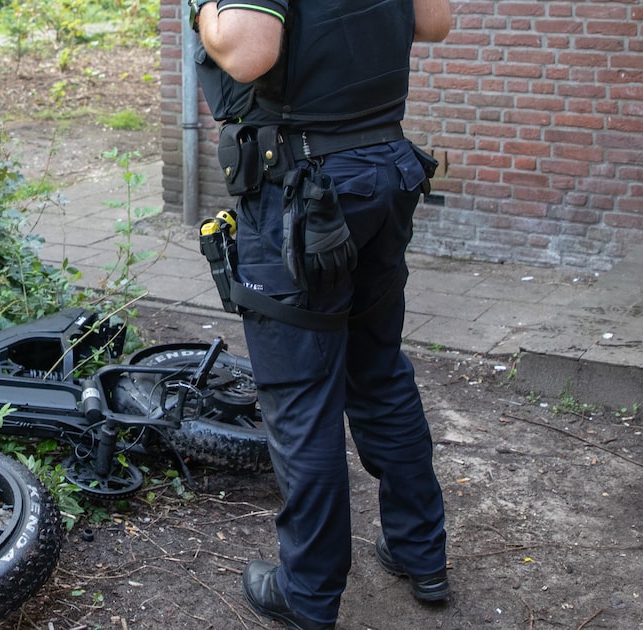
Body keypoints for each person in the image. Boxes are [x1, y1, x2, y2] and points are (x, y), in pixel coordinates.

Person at [189, 1, 454, 628]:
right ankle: (420, 553)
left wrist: (203, 12)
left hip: (305, 190)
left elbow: (250, 51)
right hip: (382, 170)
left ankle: (307, 594)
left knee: (302, 397)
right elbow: (435, 21)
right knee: (378, 372)